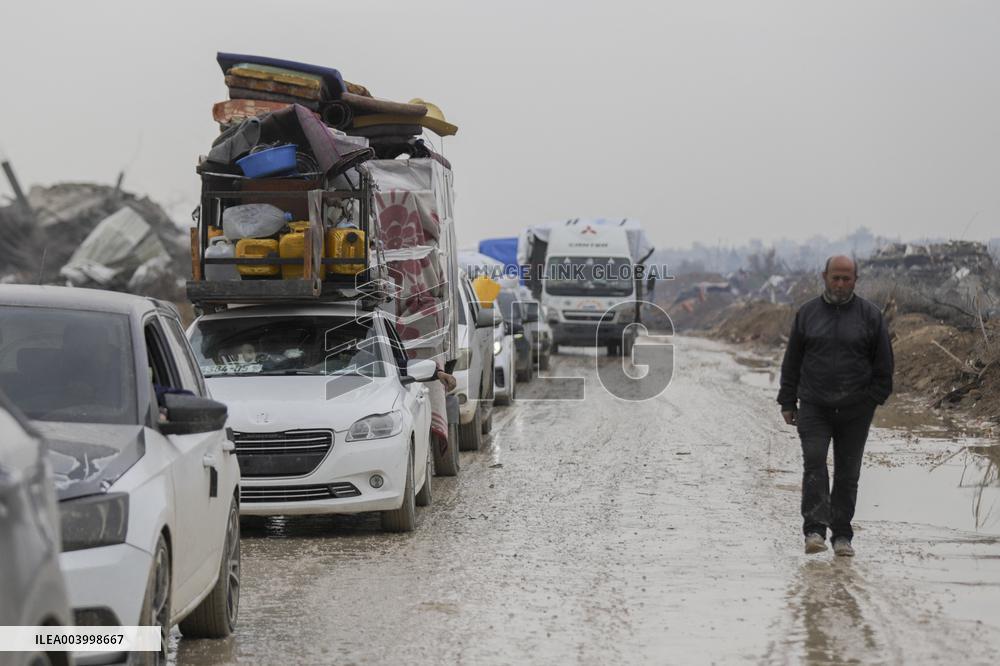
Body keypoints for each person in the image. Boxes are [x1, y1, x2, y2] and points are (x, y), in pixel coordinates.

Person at [777, 255, 894, 557]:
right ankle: (814, 531)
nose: (840, 284)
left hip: (856, 409)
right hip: (815, 405)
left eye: (847, 278)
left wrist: (872, 400)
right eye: (835, 278)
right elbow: (792, 362)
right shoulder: (807, 314)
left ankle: (842, 535)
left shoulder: (871, 316)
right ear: (824, 277)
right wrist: (788, 400)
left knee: (847, 473)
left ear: (856, 279)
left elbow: (884, 367)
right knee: (814, 463)